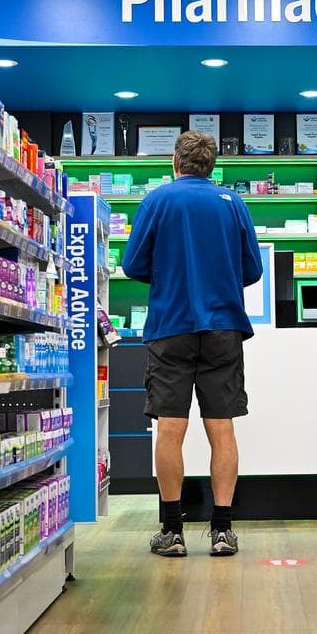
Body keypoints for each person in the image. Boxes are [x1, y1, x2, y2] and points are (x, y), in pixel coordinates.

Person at [122, 130, 263, 558]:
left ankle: (172, 531)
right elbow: (253, 269)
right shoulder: (232, 203)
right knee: (222, 428)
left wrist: (169, 274)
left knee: (170, 428)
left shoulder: (158, 201)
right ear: (213, 165)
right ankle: (222, 532)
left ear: (175, 162)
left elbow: (131, 265)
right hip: (223, 328)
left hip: (170, 327)